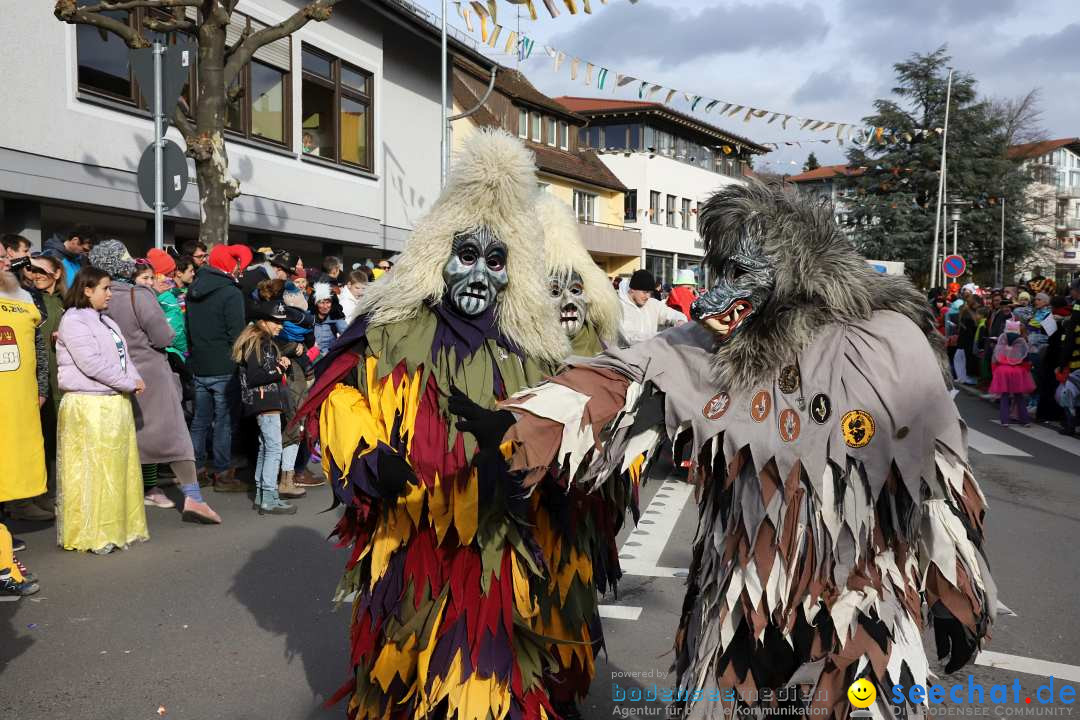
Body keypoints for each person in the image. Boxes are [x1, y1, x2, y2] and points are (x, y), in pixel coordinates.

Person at [456, 182, 994, 718]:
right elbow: (622, 377)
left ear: (793, 268)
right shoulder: (706, 346)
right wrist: (520, 422)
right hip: (738, 597)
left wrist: (955, 592)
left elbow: (938, 476)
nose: (722, 290)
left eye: (741, 272)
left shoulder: (885, 341)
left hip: (860, 592)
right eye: (723, 271)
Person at [294, 129, 570, 720]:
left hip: (489, 544)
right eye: (466, 256)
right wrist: (366, 453)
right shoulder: (389, 329)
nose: (478, 275)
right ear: (438, 255)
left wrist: (516, 439)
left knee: (477, 669)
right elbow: (336, 396)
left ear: (512, 271)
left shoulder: (530, 349)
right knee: (398, 655)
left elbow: (559, 426)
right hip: (403, 535)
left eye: (495, 262)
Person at [531, 192, 626, 719]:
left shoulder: (605, 355)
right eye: (553, 289)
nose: (568, 300)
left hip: (579, 510)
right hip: (523, 509)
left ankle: (563, 691)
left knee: (570, 597)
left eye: (576, 289)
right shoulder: (511, 353)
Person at [89, 241, 222, 523]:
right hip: (151, 374)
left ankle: (119, 502)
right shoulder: (139, 294)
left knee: (125, 440)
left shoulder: (93, 298)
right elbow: (163, 337)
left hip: (113, 376)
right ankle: (194, 499)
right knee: (174, 437)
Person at [55, 267, 149, 553]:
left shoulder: (107, 320)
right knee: (93, 473)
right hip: (89, 405)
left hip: (113, 403)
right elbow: (90, 363)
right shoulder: (73, 320)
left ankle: (120, 527)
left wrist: (134, 377)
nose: (110, 294)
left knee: (117, 471)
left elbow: (123, 356)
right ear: (87, 289)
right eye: (105, 288)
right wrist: (127, 382)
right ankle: (94, 534)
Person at [0, 242, 47, 593]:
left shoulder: (24, 297)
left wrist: (40, 386)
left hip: (16, 409)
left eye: (6, 256)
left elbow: (37, 346)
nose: (7, 262)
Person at [186, 244, 251, 492]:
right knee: (223, 420)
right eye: (235, 263)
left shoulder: (194, 289)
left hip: (200, 363)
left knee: (200, 420)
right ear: (227, 264)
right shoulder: (230, 292)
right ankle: (223, 472)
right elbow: (237, 334)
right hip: (225, 364)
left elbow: (188, 328)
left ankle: (198, 469)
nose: (237, 267)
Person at [233, 300, 296, 515]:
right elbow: (255, 376)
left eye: (281, 322)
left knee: (266, 447)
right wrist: (280, 368)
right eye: (276, 322)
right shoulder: (259, 342)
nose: (280, 325)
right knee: (274, 448)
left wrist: (279, 364)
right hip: (264, 401)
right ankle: (269, 496)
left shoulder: (262, 341)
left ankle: (262, 495)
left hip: (264, 401)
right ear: (263, 321)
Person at [27, 255, 67, 514]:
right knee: (37, 438)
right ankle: (35, 494)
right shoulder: (27, 299)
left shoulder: (69, 302)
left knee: (57, 438)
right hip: (35, 379)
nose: (36, 274)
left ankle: (54, 490)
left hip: (62, 380)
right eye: (32, 270)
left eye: (42, 270)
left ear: (58, 273)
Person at [618, 269, 687, 346]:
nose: (648, 296)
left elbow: (673, 314)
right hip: (626, 356)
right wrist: (663, 336)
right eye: (645, 292)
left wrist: (680, 321)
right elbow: (630, 337)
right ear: (632, 290)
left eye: (650, 292)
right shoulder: (620, 308)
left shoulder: (653, 304)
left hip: (650, 354)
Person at [990, 319, 1035, 426]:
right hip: (1018, 370)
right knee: (1019, 396)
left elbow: (996, 356)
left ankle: (1004, 420)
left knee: (1004, 396)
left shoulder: (1002, 340)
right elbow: (1026, 358)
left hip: (1003, 369)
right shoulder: (1021, 341)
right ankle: (1025, 420)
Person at [311, 282, 348, 359]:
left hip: (329, 356)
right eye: (321, 303)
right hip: (311, 355)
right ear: (315, 303)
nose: (325, 306)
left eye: (328, 302)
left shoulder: (336, 317)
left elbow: (347, 335)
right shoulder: (309, 318)